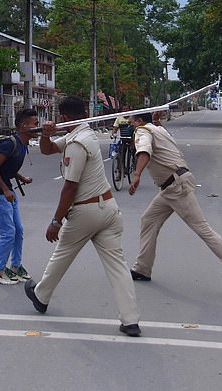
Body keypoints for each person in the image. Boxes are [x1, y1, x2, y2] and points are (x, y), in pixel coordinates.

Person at [24, 96, 141, 336]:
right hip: (108, 208)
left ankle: (41, 295)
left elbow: (70, 187)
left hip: (86, 211)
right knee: (118, 267)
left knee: (62, 254)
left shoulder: (77, 143)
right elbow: (47, 150)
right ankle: (130, 320)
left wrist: (56, 221)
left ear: (65, 117)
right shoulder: (81, 133)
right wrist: (45, 134)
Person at [127, 112, 222, 301]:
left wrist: (136, 175)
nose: (130, 124)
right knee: (148, 220)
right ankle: (142, 268)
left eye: (132, 120)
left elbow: (144, 151)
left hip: (176, 187)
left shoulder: (142, 131)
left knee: (203, 229)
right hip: (171, 187)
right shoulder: (159, 129)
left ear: (139, 121)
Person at [0, 108, 39, 285]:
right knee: (8, 233)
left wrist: (21, 177)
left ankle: (15, 266)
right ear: (23, 126)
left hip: (7, 191)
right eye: (35, 124)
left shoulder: (21, 144)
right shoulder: (9, 143)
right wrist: (5, 190)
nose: (37, 127)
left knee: (18, 230)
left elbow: (8, 168)